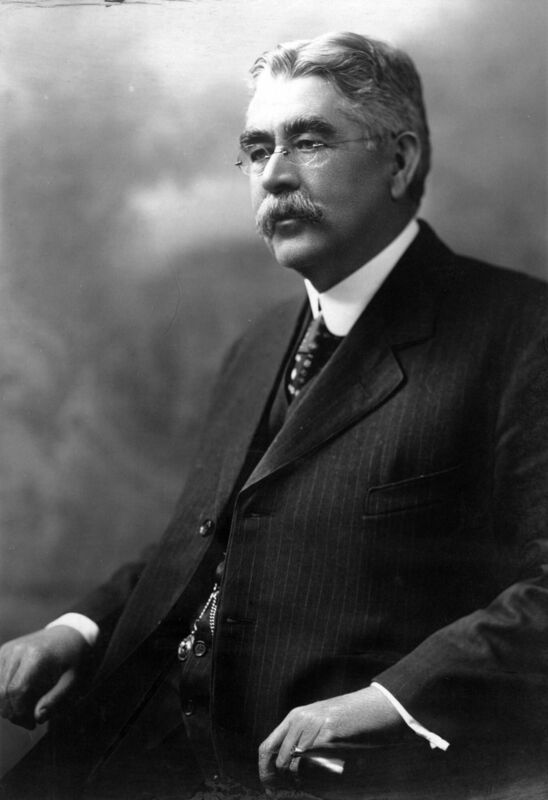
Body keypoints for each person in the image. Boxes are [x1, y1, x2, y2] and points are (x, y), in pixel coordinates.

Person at [1, 31, 547, 800]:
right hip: (137, 743)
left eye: (311, 141)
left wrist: (392, 700)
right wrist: (78, 629)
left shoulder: (522, 334)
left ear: (402, 160)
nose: (276, 176)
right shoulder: (259, 342)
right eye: (257, 151)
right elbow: (212, 539)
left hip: (325, 778)